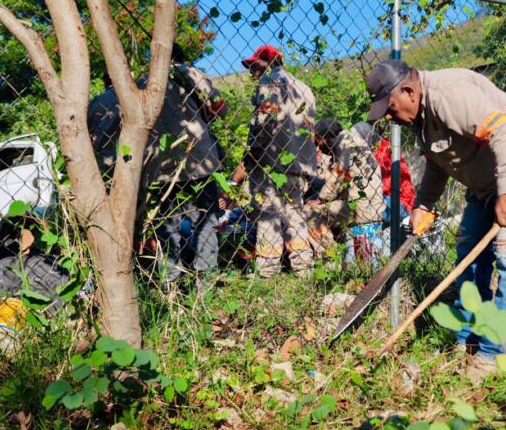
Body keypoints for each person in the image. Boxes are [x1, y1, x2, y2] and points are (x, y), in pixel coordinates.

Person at [365, 59, 506, 383]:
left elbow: (504, 131)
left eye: (389, 107)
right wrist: (424, 205)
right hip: (486, 183)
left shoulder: (449, 96)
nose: (389, 116)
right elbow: (438, 164)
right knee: (468, 255)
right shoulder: (423, 117)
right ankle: (470, 335)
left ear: (409, 91)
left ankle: (495, 351)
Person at [88, 44, 226, 283]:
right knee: (205, 221)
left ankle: (170, 280)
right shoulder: (188, 73)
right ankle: (206, 280)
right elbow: (219, 107)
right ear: (182, 57)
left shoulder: (142, 84)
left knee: (167, 226)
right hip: (199, 158)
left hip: (160, 164)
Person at [238, 45, 318, 278]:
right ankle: (304, 268)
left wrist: (253, 150)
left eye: (254, 66)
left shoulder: (270, 83)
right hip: (299, 163)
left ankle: (267, 272)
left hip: (272, 162)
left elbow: (266, 117)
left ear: (267, 62)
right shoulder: (304, 88)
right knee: (295, 213)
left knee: (268, 213)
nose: (251, 72)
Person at [308, 119, 386, 265]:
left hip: (360, 206)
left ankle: (330, 259)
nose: (318, 146)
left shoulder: (344, 142)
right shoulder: (352, 141)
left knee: (310, 213)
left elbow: (339, 175)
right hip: (370, 203)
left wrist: (321, 199)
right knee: (366, 260)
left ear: (327, 137)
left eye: (318, 141)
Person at [353, 121, 415, 223]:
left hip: (400, 202)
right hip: (384, 198)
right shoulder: (366, 152)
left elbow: (383, 187)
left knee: (362, 202)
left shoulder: (385, 150)